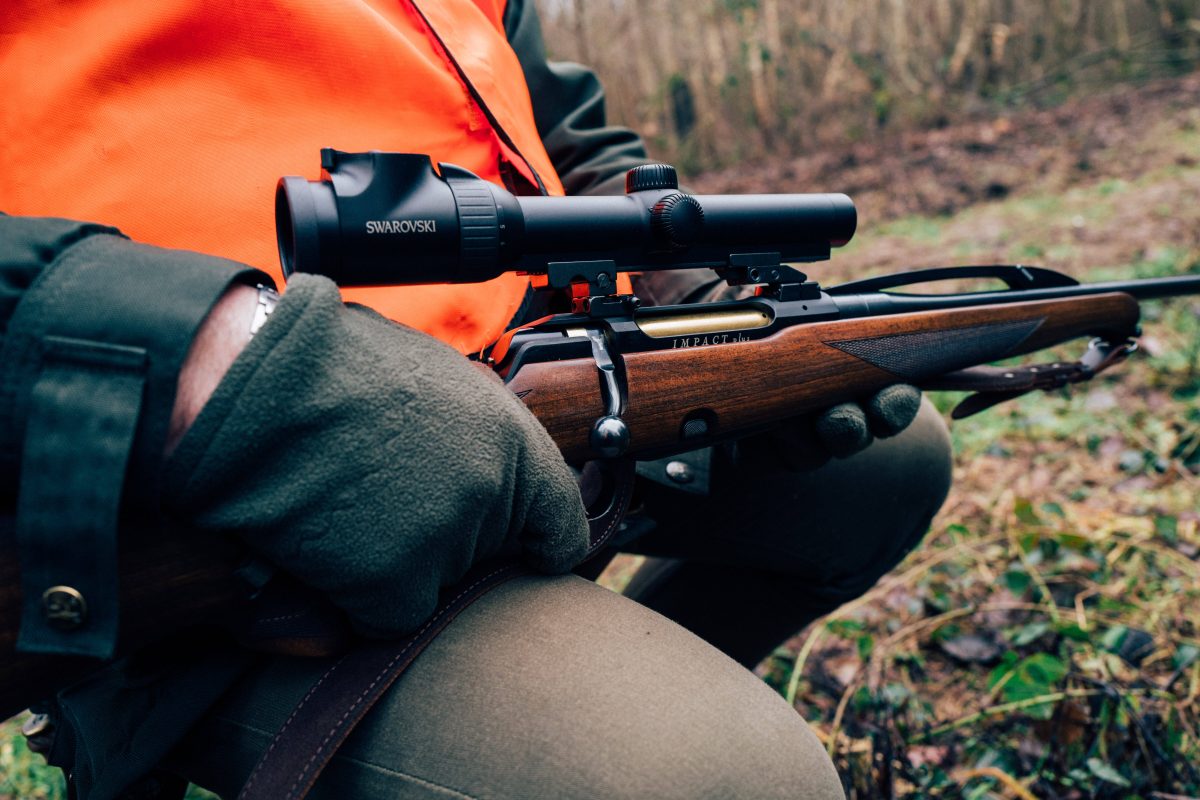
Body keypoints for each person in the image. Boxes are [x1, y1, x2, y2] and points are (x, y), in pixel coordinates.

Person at [1, 0, 952, 796]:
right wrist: (194, 358)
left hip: (525, 376)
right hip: (177, 464)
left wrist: (687, 284)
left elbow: (554, 127)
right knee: (724, 780)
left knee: (881, 467)